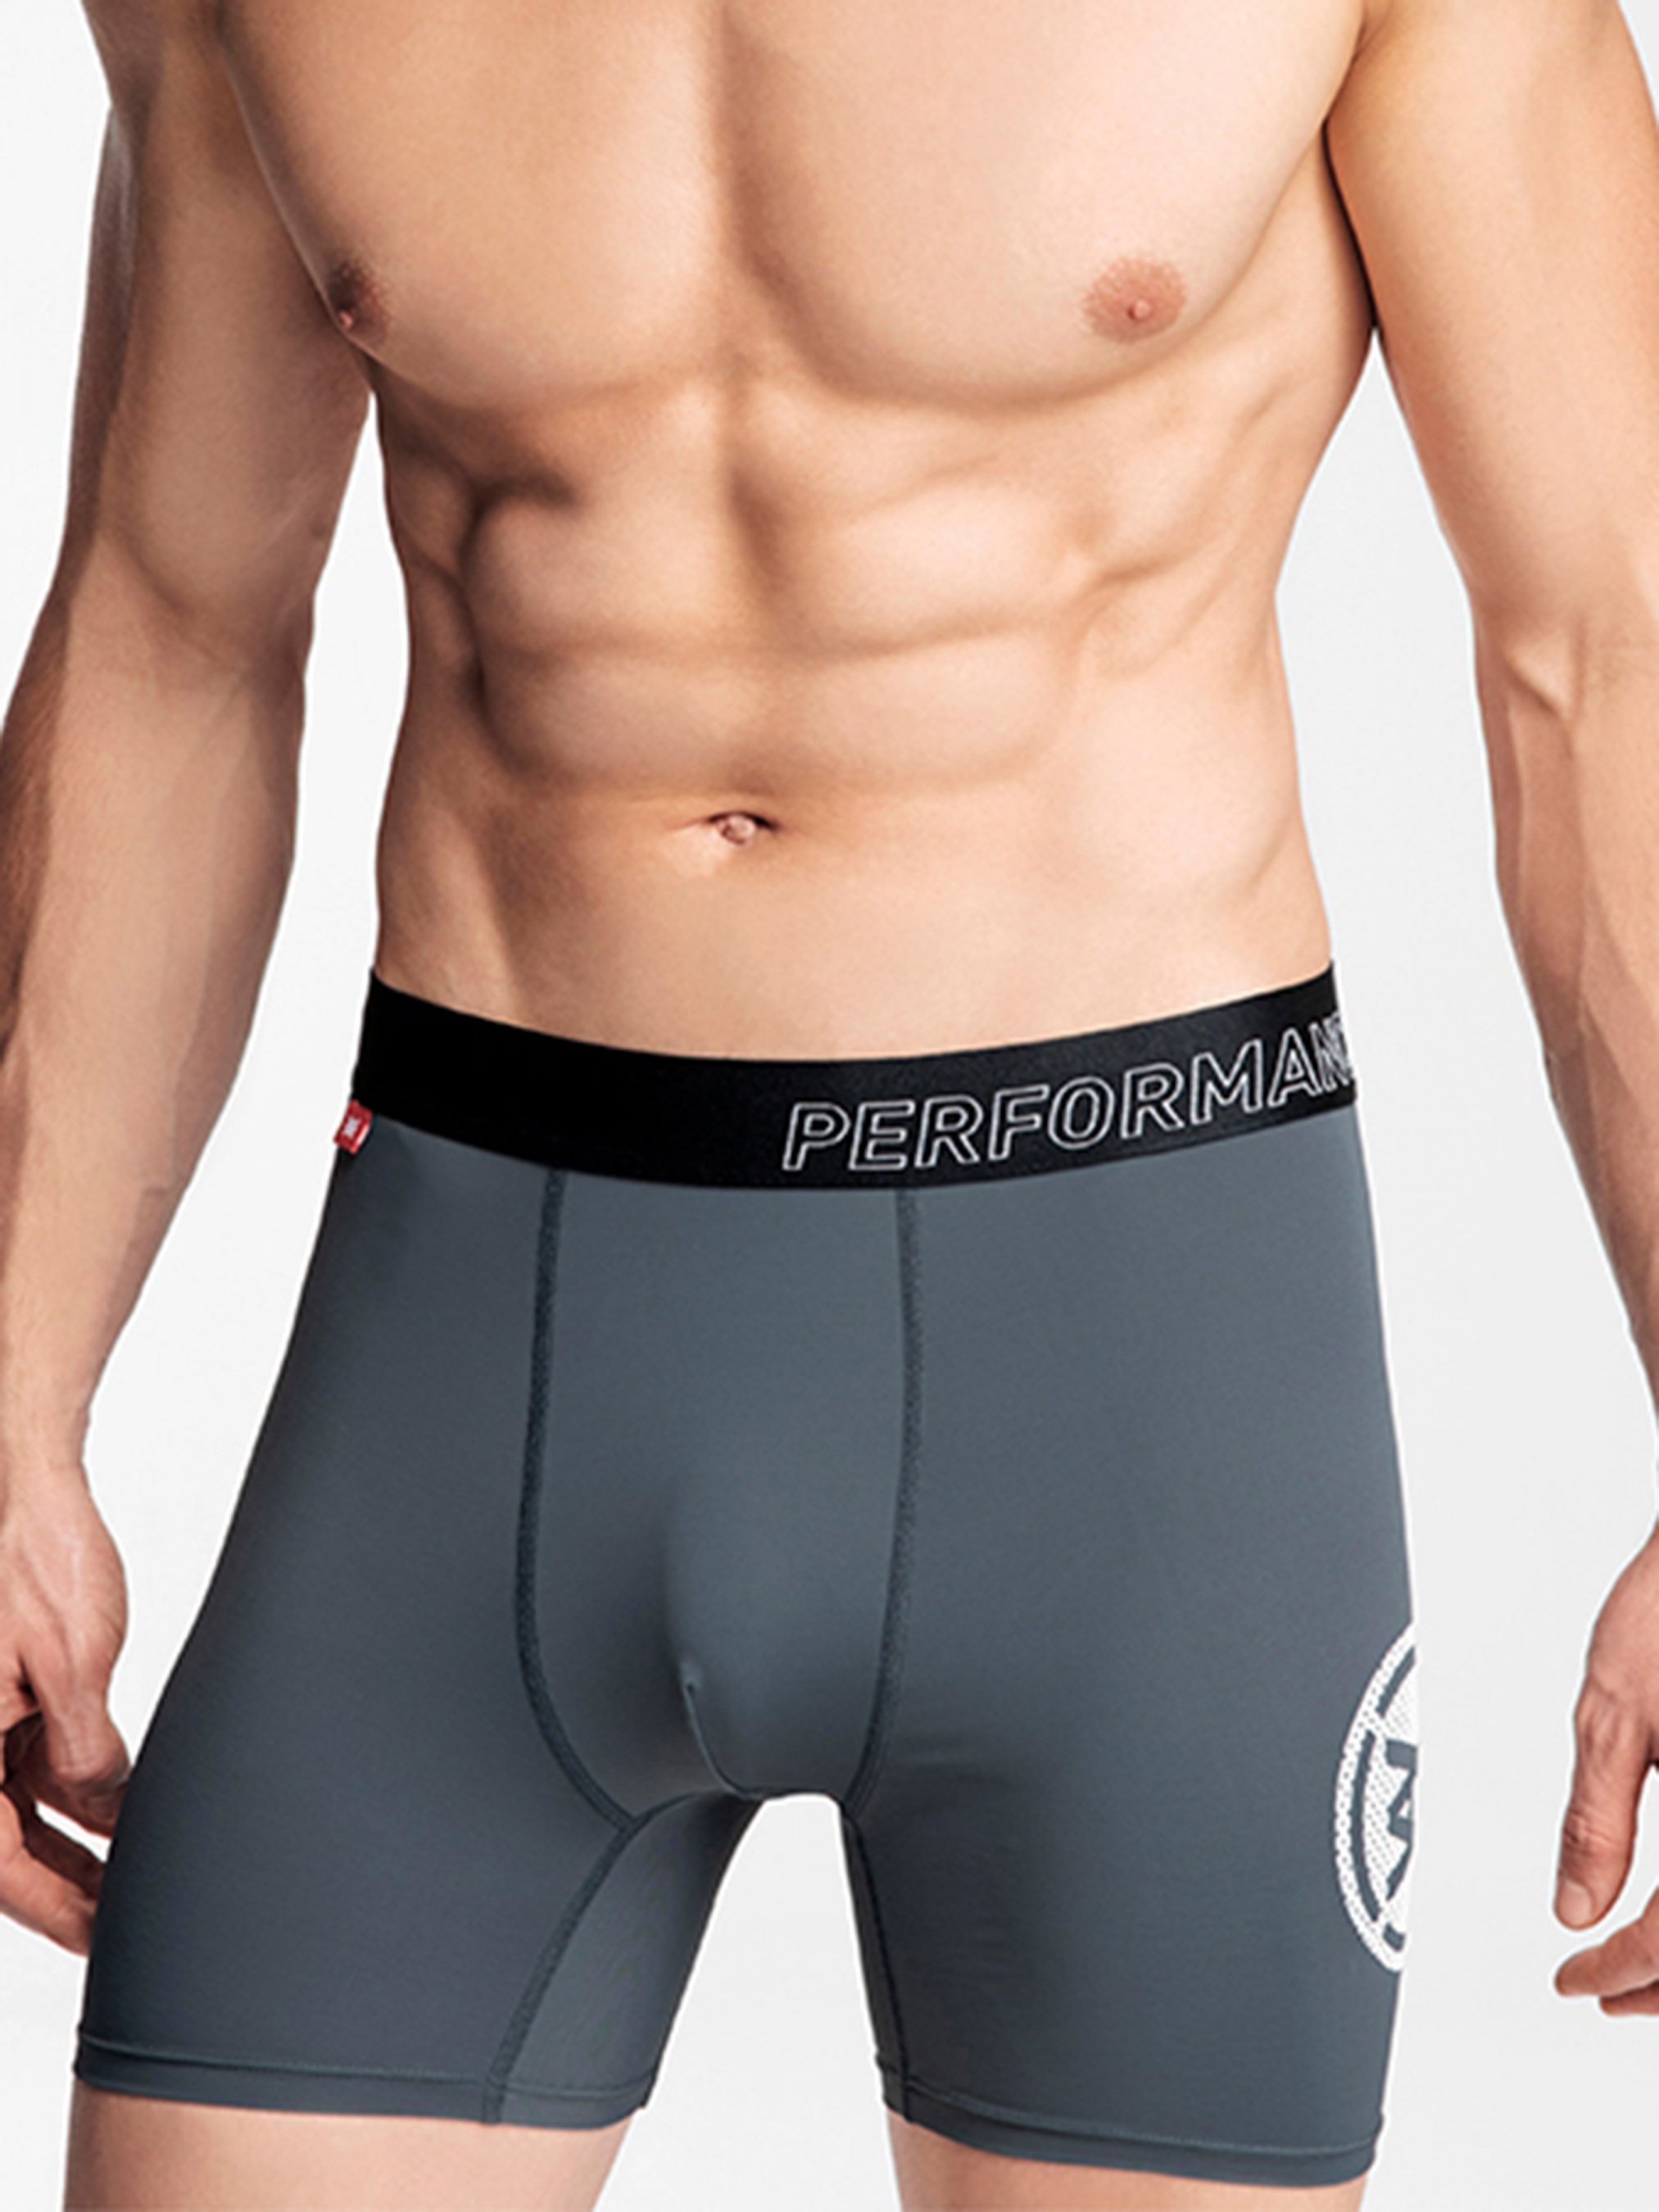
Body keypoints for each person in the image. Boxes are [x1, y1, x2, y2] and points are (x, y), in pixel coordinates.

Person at [3, 0, 1659, 2205]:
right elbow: (172, 623)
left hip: (1134, 1382)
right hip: (468, 1355)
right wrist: (10, 1388)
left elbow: (1602, 648)